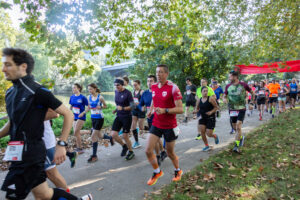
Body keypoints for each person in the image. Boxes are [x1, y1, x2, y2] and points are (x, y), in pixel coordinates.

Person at [0, 48, 92, 200]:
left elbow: (67, 114)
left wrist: (61, 144)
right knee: (44, 195)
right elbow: (12, 123)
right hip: (16, 153)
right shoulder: (10, 93)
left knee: (13, 195)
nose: (3, 69)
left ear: (23, 66)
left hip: (31, 154)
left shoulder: (37, 91)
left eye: (8, 64)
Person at [145, 64, 184, 186]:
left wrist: (165, 110)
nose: (158, 74)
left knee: (170, 153)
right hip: (156, 123)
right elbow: (154, 99)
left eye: (161, 72)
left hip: (169, 126)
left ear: (166, 74)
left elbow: (180, 109)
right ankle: (157, 172)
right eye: (157, 72)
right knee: (147, 150)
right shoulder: (154, 86)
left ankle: (178, 171)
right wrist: (151, 110)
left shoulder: (173, 88)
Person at [80, 83, 114, 163]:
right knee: (99, 135)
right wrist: (83, 113)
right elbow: (88, 108)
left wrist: (101, 107)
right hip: (93, 118)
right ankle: (110, 138)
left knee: (93, 136)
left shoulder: (100, 97)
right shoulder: (89, 97)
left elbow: (106, 106)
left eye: (91, 89)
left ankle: (94, 156)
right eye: (88, 89)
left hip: (99, 118)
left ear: (95, 89)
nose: (90, 91)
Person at [223, 70, 254, 153]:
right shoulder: (228, 86)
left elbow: (252, 92)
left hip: (241, 109)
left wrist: (251, 103)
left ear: (235, 77)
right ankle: (241, 137)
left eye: (230, 76)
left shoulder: (243, 85)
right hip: (232, 109)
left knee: (238, 126)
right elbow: (224, 96)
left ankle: (236, 146)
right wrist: (224, 99)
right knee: (234, 127)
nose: (229, 78)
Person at [139, 75, 167, 166]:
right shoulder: (145, 93)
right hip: (150, 118)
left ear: (155, 82)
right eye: (148, 81)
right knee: (157, 138)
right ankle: (163, 151)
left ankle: (158, 156)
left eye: (151, 81)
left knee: (155, 138)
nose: (149, 83)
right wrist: (141, 108)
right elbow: (140, 104)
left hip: (159, 118)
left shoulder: (158, 91)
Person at [110, 78, 135, 160]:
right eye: (115, 85)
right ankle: (124, 146)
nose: (116, 87)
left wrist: (123, 108)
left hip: (127, 117)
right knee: (113, 134)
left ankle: (131, 152)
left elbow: (132, 106)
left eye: (118, 85)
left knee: (125, 136)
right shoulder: (116, 92)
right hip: (119, 115)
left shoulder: (128, 93)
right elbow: (118, 105)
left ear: (122, 85)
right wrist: (116, 109)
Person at [196, 86, 220, 151]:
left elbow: (216, 107)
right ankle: (206, 145)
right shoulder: (199, 100)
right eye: (204, 91)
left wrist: (211, 112)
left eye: (206, 91)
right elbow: (197, 108)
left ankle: (215, 136)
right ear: (201, 92)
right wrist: (195, 111)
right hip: (202, 118)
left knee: (209, 134)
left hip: (210, 117)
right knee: (202, 132)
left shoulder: (210, 99)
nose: (205, 92)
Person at [69, 83, 89, 154]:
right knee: (76, 133)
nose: (73, 89)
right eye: (72, 88)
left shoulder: (83, 97)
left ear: (79, 88)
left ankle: (80, 148)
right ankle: (90, 131)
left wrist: (83, 113)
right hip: (74, 117)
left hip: (81, 117)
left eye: (74, 87)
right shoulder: (71, 97)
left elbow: (88, 107)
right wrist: (69, 113)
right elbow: (71, 106)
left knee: (76, 132)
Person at [131, 80, 146, 149]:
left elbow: (145, 102)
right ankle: (137, 142)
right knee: (133, 126)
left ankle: (146, 129)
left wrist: (139, 103)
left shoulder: (142, 92)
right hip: (134, 110)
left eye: (136, 85)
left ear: (139, 84)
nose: (134, 86)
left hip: (141, 110)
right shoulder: (133, 91)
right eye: (133, 85)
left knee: (140, 126)